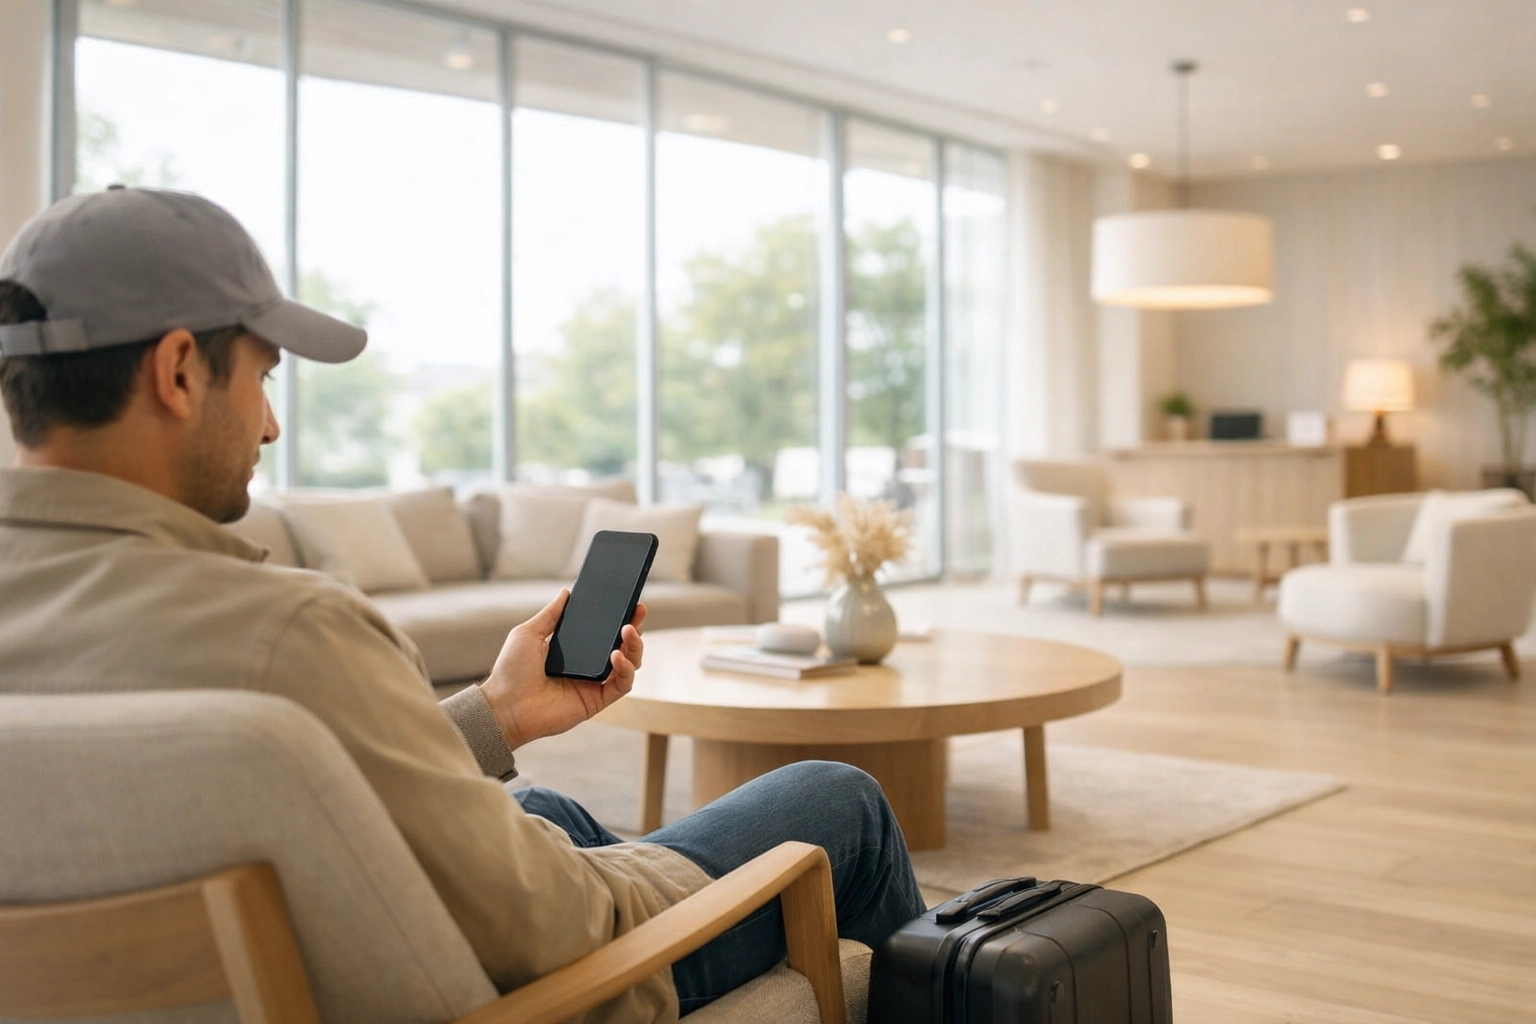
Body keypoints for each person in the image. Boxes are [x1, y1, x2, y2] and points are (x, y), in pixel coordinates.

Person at [0, 187, 925, 1022]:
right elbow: (566, 927)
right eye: (263, 377)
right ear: (177, 373)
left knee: (547, 804)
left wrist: (498, 714)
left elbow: (294, 791)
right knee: (835, 797)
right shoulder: (292, 636)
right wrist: (619, 872)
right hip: (563, 989)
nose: (271, 424)